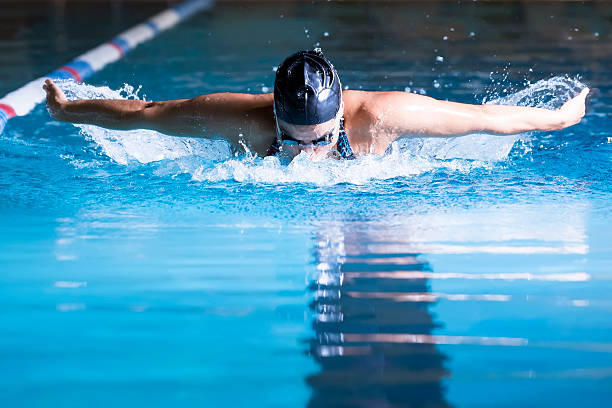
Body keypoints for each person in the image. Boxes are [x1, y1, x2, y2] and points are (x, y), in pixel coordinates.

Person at [43, 49, 589, 161]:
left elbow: (485, 120)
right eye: (294, 140)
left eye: (321, 139)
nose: (306, 154)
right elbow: (147, 115)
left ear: (340, 119)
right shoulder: (237, 119)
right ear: (273, 116)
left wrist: (561, 118)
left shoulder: (381, 118)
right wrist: (69, 111)